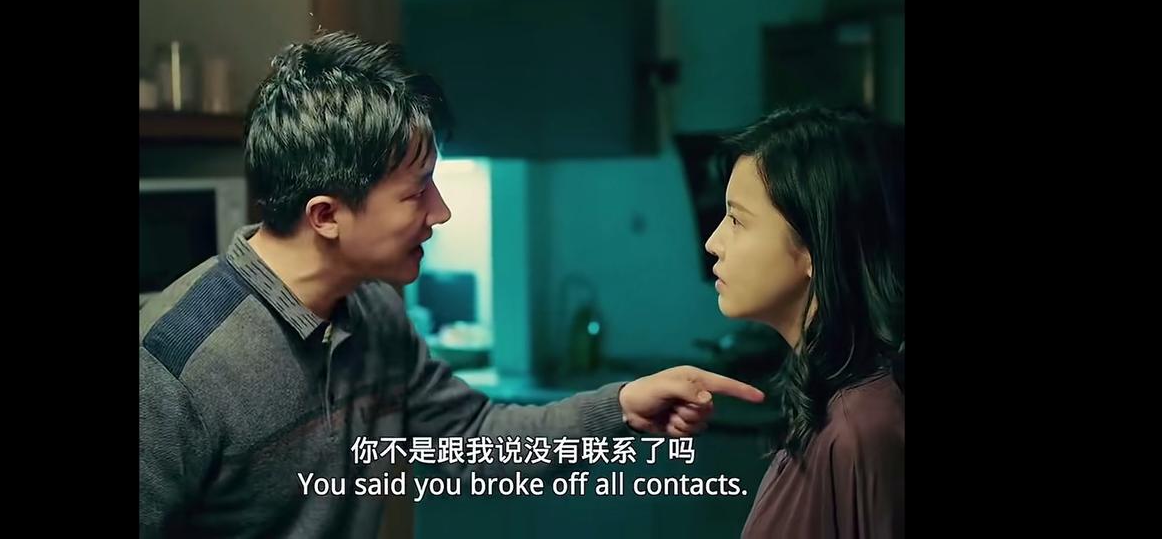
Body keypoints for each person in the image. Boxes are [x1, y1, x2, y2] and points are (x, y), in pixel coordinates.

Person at [139, 31, 764, 539]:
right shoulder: (173, 370)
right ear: (326, 215)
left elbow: (472, 440)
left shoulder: (375, 311)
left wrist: (621, 406)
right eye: (417, 192)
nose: (440, 212)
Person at [701, 106, 904, 539]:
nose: (713, 242)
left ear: (814, 244)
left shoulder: (861, 430)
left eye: (737, 220)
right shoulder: (830, 404)